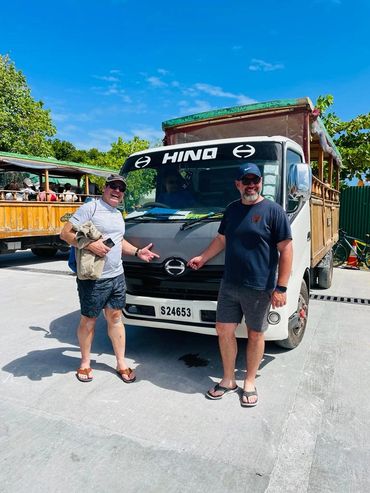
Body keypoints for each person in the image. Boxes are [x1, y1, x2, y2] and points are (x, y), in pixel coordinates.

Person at [187, 163, 293, 407]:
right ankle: (227, 380)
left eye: (255, 180)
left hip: (259, 286)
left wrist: (282, 287)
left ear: (261, 182)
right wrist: (202, 258)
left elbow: (286, 249)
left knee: (256, 334)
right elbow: (222, 239)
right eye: (246, 181)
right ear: (237, 184)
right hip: (230, 284)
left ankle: (250, 381)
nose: (251, 185)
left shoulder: (273, 211)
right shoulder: (232, 210)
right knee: (223, 329)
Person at [60, 174, 159, 383]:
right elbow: (65, 233)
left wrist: (138, 251)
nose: (117, 191)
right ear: (105, 188)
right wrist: (87, 244)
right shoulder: (91, 208)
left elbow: (119, 240)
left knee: (115, 317)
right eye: (113, 186)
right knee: (89, 319)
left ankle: (121, 362)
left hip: (117, 275)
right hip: (93, 278)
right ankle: (85, 363)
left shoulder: (117, 213)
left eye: (121, 189)